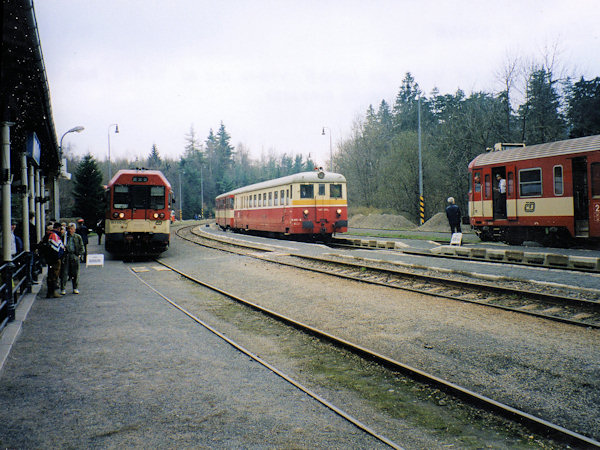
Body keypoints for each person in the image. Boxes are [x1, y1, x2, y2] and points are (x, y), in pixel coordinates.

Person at [40, 222, 65, 298]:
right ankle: (53, 292)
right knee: (54, 275)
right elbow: (56, 248)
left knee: (50, 275)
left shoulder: (48, 235)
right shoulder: (54, 235)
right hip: (55, 259)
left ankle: (49, 292)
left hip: (49, 258)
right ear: (58, 228)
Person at [60, 223, 84, 295]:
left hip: (74, 255)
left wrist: (79, 254)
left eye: (71, 229)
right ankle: (63, 288)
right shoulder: (64, 237)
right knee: (64, 272)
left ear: (74, 229)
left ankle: (75, 288)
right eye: (69, 229)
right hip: (66, 255)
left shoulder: (78, 237)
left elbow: (81, 246)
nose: (70, 230)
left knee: (75, 273)